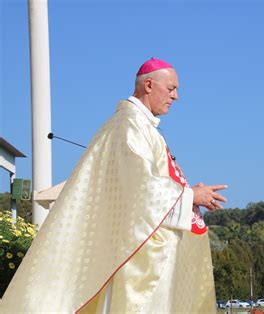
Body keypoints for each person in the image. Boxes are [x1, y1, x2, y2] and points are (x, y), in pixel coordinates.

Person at [0, 58, 227, 312]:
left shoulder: (141, 126)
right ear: (149, 85)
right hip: (136, 261)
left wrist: (186, 192)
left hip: (145, 252)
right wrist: (189, 196)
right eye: (171, 88)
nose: (176, 96)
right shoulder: (128, 125)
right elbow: (139, 187)